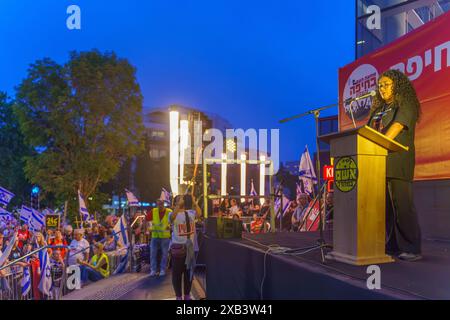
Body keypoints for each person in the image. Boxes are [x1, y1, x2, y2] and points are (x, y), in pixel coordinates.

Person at [367, 69, 422, 261]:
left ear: (397, 85)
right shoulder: (378, 109)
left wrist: (376, 146)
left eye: (386, 84)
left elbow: (397, 127)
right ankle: (391, 246)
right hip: (377, 163)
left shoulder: (406, 103)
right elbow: (367, 132)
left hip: (398, 161)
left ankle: (412, 248)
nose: (382, 89)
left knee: (402, 205)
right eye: (380, 85)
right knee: (386, 209)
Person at [169, 194, 201, 300]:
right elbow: (172, 218)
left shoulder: (190, 213)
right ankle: (178, 296)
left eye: (182, 199)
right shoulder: (172, 213)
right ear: (175, 203)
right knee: (177, 275)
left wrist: (194, 202)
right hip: (178, 249)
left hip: (189, 249)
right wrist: (178, 205)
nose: (182, 200)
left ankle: (187, 295)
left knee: (189, 274)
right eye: (179, 199)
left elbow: (199, 213)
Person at [149, 199, 172, 277]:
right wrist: (147, 229)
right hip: (155, 236)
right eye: (158, 204)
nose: (159, 206)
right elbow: (146, 219)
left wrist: (171, 227)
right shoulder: (154, 211)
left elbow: (173, 221)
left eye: (161, 204)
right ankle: (153, 270)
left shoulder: (169, 211)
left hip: (165, 237)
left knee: (164, 254)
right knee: (153, 253)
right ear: (157, 204)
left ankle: (162, 269)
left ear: (163, 204)